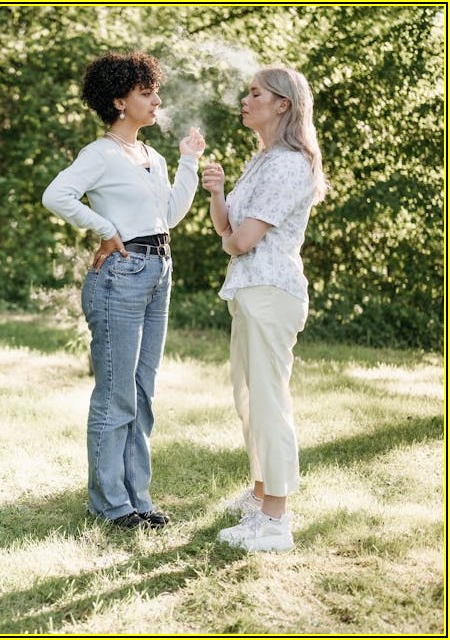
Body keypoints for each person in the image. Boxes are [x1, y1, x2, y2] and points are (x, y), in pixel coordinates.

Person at [42, 52, 205, 530]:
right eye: (145, 93)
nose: (156, 100)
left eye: (155, 92)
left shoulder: (150, 156)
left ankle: (138, 499)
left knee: (142, 392)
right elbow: (56, 195)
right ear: (118, 101)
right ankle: (111, 505)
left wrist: (189, 162)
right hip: (122, 274)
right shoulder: (100, 153)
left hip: (159, 272)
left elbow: (170, 215)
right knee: (116, 396)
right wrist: (105, 228)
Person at [201, 66, 326, 551]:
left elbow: (242, 240)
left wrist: (234, 238)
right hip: (251, 292)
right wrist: (216, 192)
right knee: (250, 401)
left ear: (283, 105)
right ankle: (260, 497)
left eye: (256, 93)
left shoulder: (290, 163)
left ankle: (275, 521)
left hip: (271, 293)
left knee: (269, 403)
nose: (246, 99)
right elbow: (226, 228)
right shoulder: (263, 159)